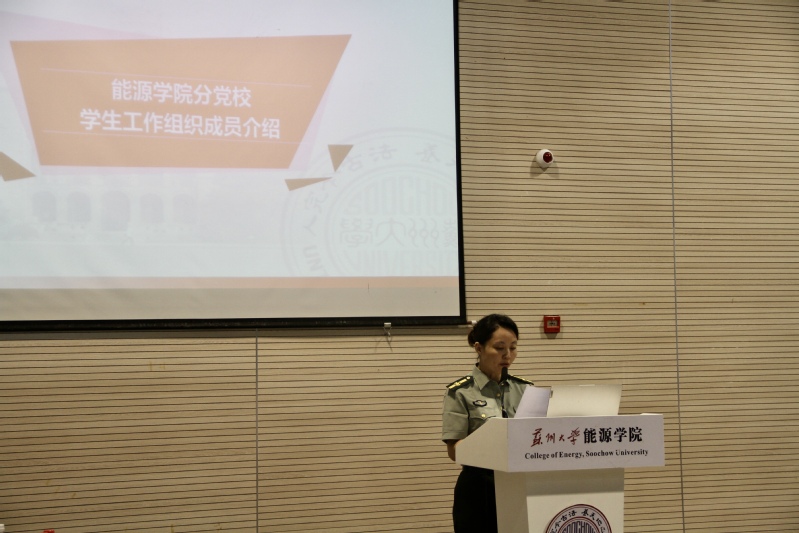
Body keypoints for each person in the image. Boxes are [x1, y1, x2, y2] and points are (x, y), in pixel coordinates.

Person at [441, 313, 534, 533]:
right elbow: (454, 450)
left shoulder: (526, 390)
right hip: (479, 488)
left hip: (520, 484)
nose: (507, 355)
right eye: (499, 347)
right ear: (479, 348)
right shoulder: (461, 391)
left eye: (513, 347)